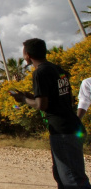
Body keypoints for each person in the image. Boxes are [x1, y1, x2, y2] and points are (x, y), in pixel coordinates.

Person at [9, 38, 91, 189]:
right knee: (62, 176)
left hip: (62, 131)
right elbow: (59, 98)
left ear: (27, 55)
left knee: (72, 180)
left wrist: (23, 99)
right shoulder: (57, 69)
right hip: (72, 126)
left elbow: (42, 105)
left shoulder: (40, 72)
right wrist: (31, 96)